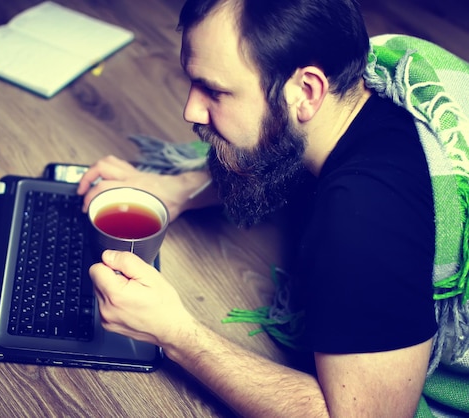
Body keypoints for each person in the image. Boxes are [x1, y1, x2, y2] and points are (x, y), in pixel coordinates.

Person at [76, 0, 438, 416]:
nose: (190, 111)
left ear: (306, 91)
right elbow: (281, 155)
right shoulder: (351, 100)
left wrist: (175, 333)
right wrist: (180, 187)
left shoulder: (364, 218)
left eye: (214, 90)